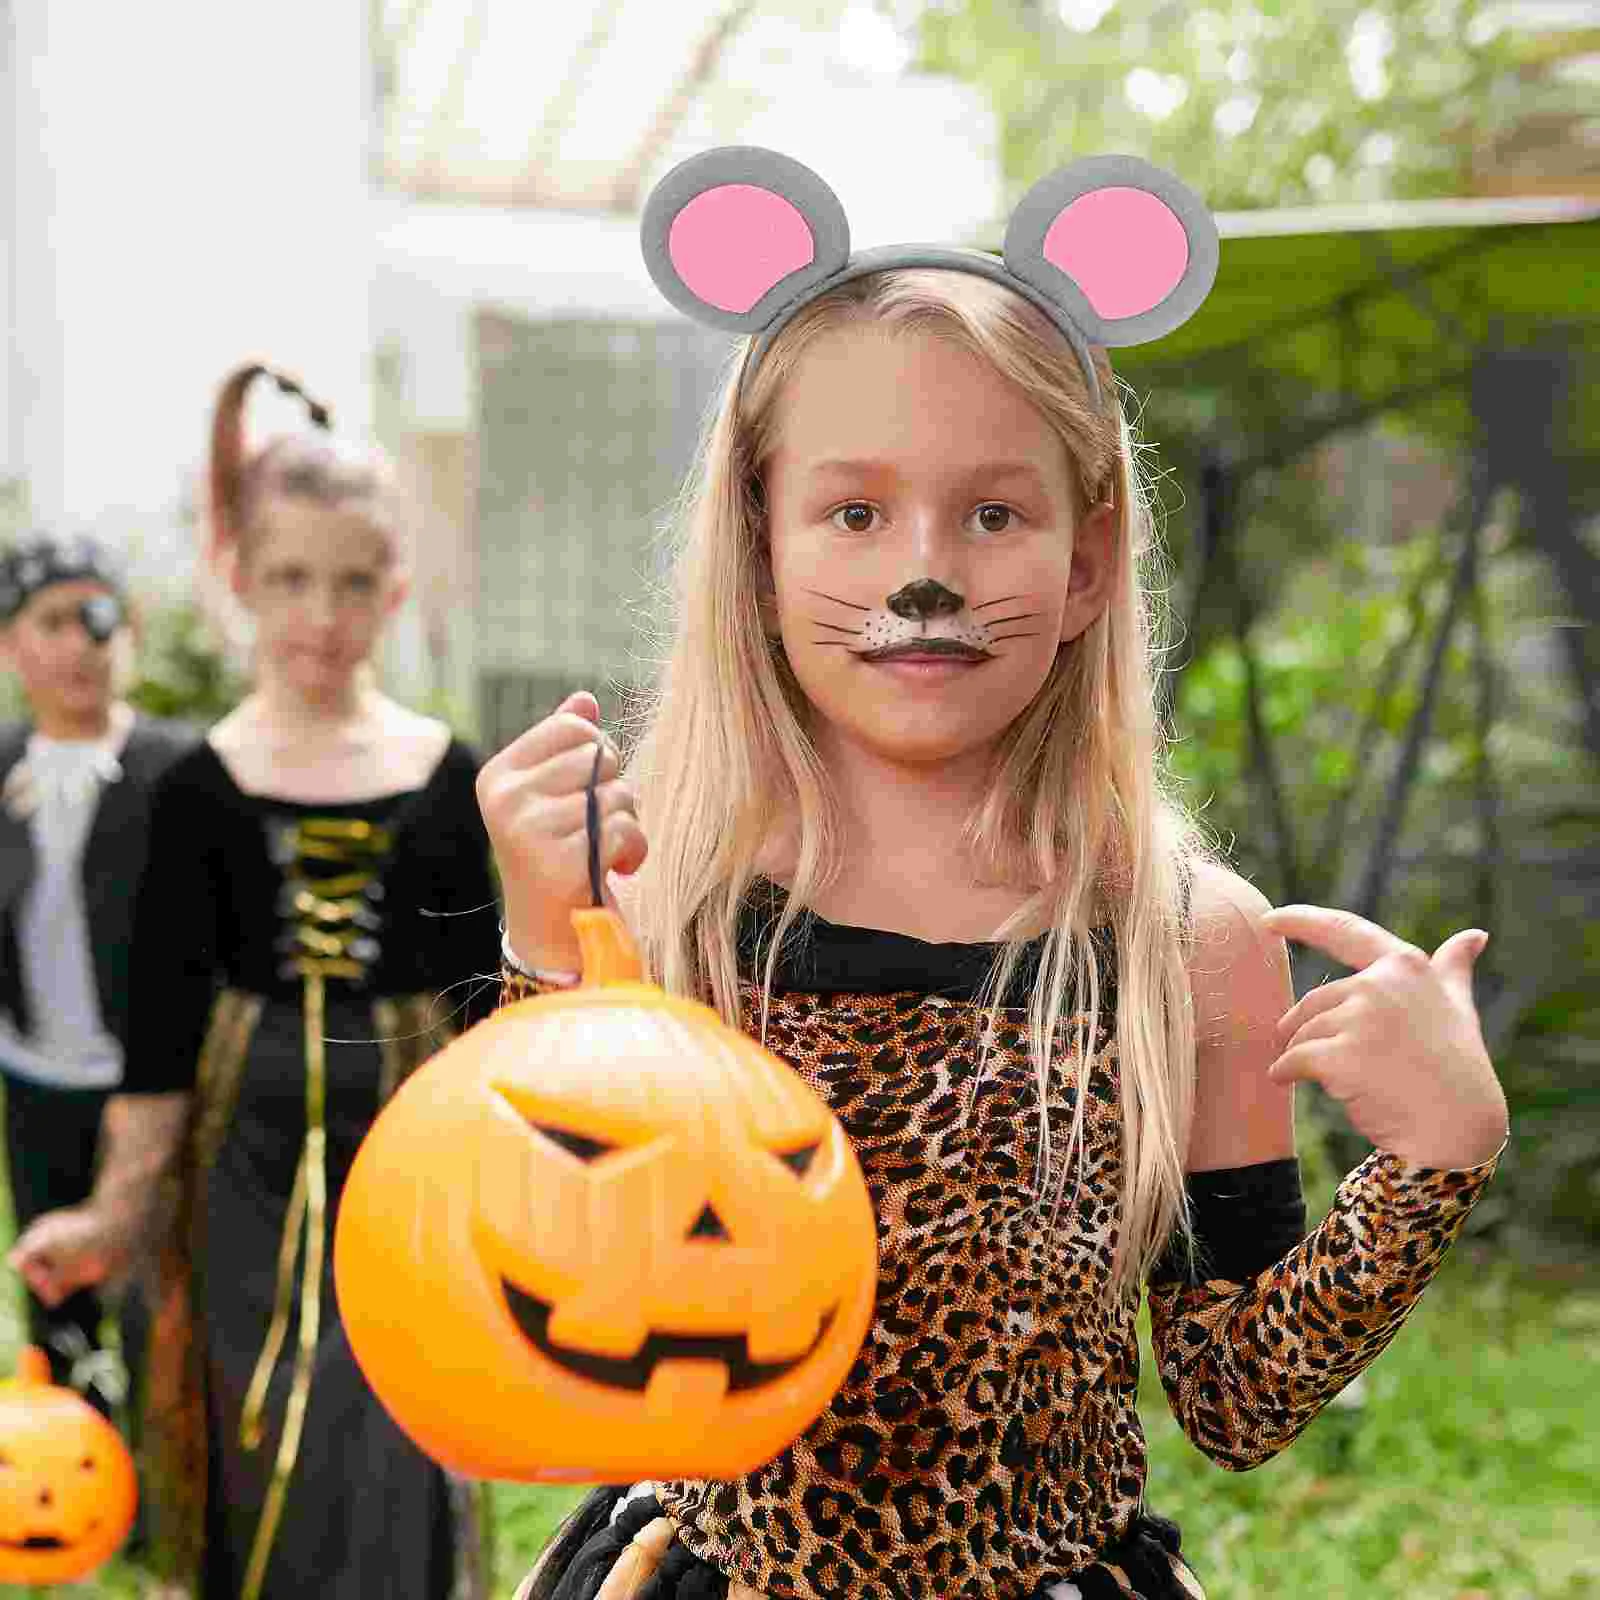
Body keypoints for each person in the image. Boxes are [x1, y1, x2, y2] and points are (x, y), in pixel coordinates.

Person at [476, 148, 1512, 1600]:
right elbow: (527, 1289)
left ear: (1089, 562)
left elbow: (1238, 1400)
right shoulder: (669, 891)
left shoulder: (1184, 940)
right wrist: (547, 940)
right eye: (854, 514)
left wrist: (1433, 1157)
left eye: (993, 516)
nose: (924, 575)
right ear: (756, 545)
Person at [8, 365, 501, 1600]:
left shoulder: (443, 773)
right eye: (289, 579)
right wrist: (114, 1216)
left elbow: (483, 1010)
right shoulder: (200, 788)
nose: (319, 614)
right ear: (240, 580)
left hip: (409, 1143)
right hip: (242, 1157)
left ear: (392, 588)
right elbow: (160, 1045)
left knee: (393, 1414)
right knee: (252, 1408)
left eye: (349, 582)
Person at [0, 530, 192, 1471]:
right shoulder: (4, 767)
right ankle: (73, 1470)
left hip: (151, 1081)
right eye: (52, 621)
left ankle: (167, 1491)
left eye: (99, 617)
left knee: (161, 1291)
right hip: (37, 1074)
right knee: (56, 1282)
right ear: (11, 646)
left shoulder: (176, 767)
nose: (81, 641)